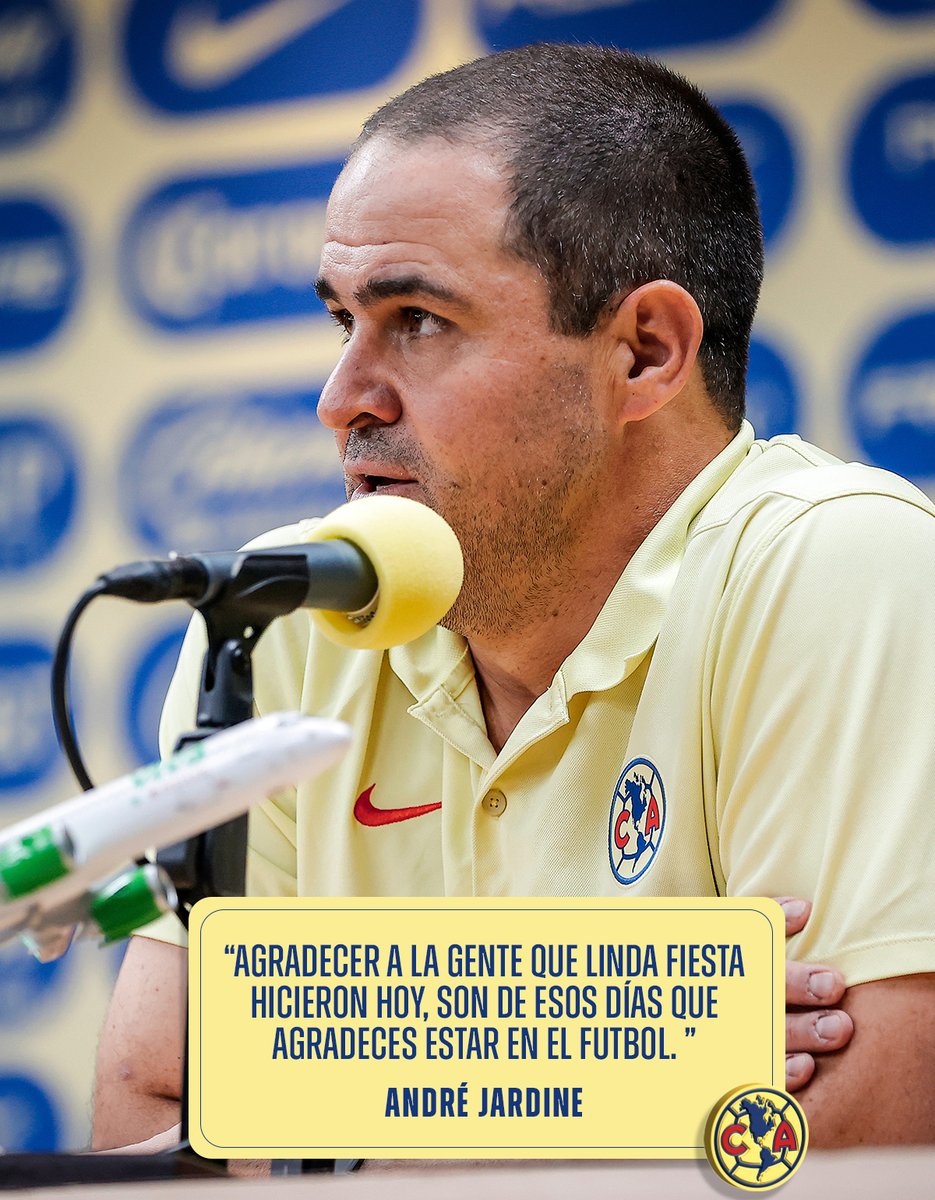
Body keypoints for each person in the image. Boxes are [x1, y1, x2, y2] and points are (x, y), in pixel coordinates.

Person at [93, 43, 935, 1155]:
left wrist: (317, 1067)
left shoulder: (834, 567)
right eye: (343, 320)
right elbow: (145, 1122)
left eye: (418, 320)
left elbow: (846, 1149)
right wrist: (612, 1042)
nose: (339, 398)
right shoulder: (292, 616)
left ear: (643, 352)